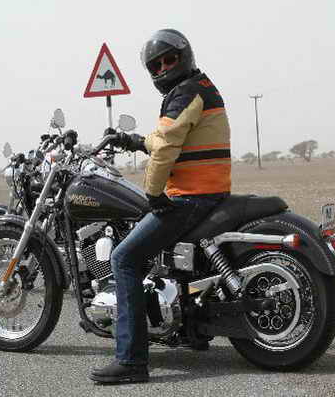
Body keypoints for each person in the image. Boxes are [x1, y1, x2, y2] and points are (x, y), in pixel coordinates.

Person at [90, 29, 232, 384]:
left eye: (170, 59)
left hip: (191, 195)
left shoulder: (185, 92)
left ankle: (131, 361)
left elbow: (166, 148)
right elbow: (165, 137)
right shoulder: (199, 88)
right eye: (156, 65)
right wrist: (132, 140)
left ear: (185, 56)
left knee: (124, 258)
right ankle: (190, 331)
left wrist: (153, 194)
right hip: (208, 191)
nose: (164, 67)